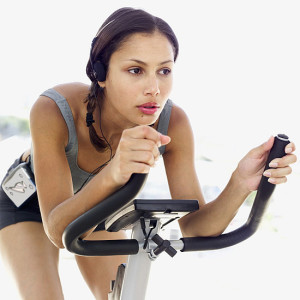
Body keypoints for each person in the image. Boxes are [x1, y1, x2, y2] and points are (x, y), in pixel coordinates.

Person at [0, 7, 297, 300]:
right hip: (26, 200)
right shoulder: (54, 108)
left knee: (123, 296)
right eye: (136, 70)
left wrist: (239, 184)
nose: (154, 88)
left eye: (164, 71)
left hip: (100, 205)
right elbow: (59, 231)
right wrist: (114, 171)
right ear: (100, 73)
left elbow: (194, 229)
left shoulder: (174, 122)